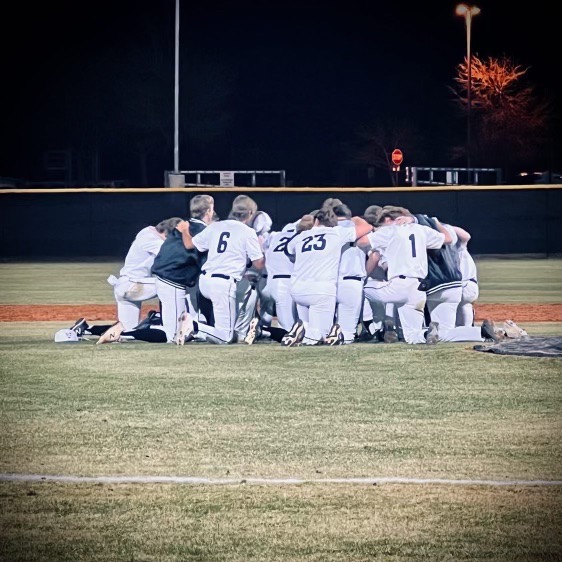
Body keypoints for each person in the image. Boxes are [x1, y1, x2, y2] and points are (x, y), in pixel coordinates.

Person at [72, 217, 182, 344]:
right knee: (171, 285)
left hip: (125, 286)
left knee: (126, 331)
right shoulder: (153, 241)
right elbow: (176, 257)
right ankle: (161, 319)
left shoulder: (147, 231)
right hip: (133, 286)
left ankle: (86, 330)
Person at [174, 197, 265, 345]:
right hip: (223, 284)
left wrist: (185, 230)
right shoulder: (248, 232)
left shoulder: (216, 226)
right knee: (225, 337)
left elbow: (190, 244)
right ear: (250, 213)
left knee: (249, 289)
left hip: (204, 281)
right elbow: (259, 264)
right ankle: (195, 327)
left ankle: (241, 333)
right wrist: (261, 249)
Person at [282, 207, 372, 346]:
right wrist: (355, 219)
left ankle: (303, 327)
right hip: (321, 289)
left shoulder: (302, 235)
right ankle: (306, 330)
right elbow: (367, 227)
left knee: (312, 326)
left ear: (316, 220)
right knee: (319, 336)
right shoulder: (336, 233)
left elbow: (288, 251)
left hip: (297, 288)